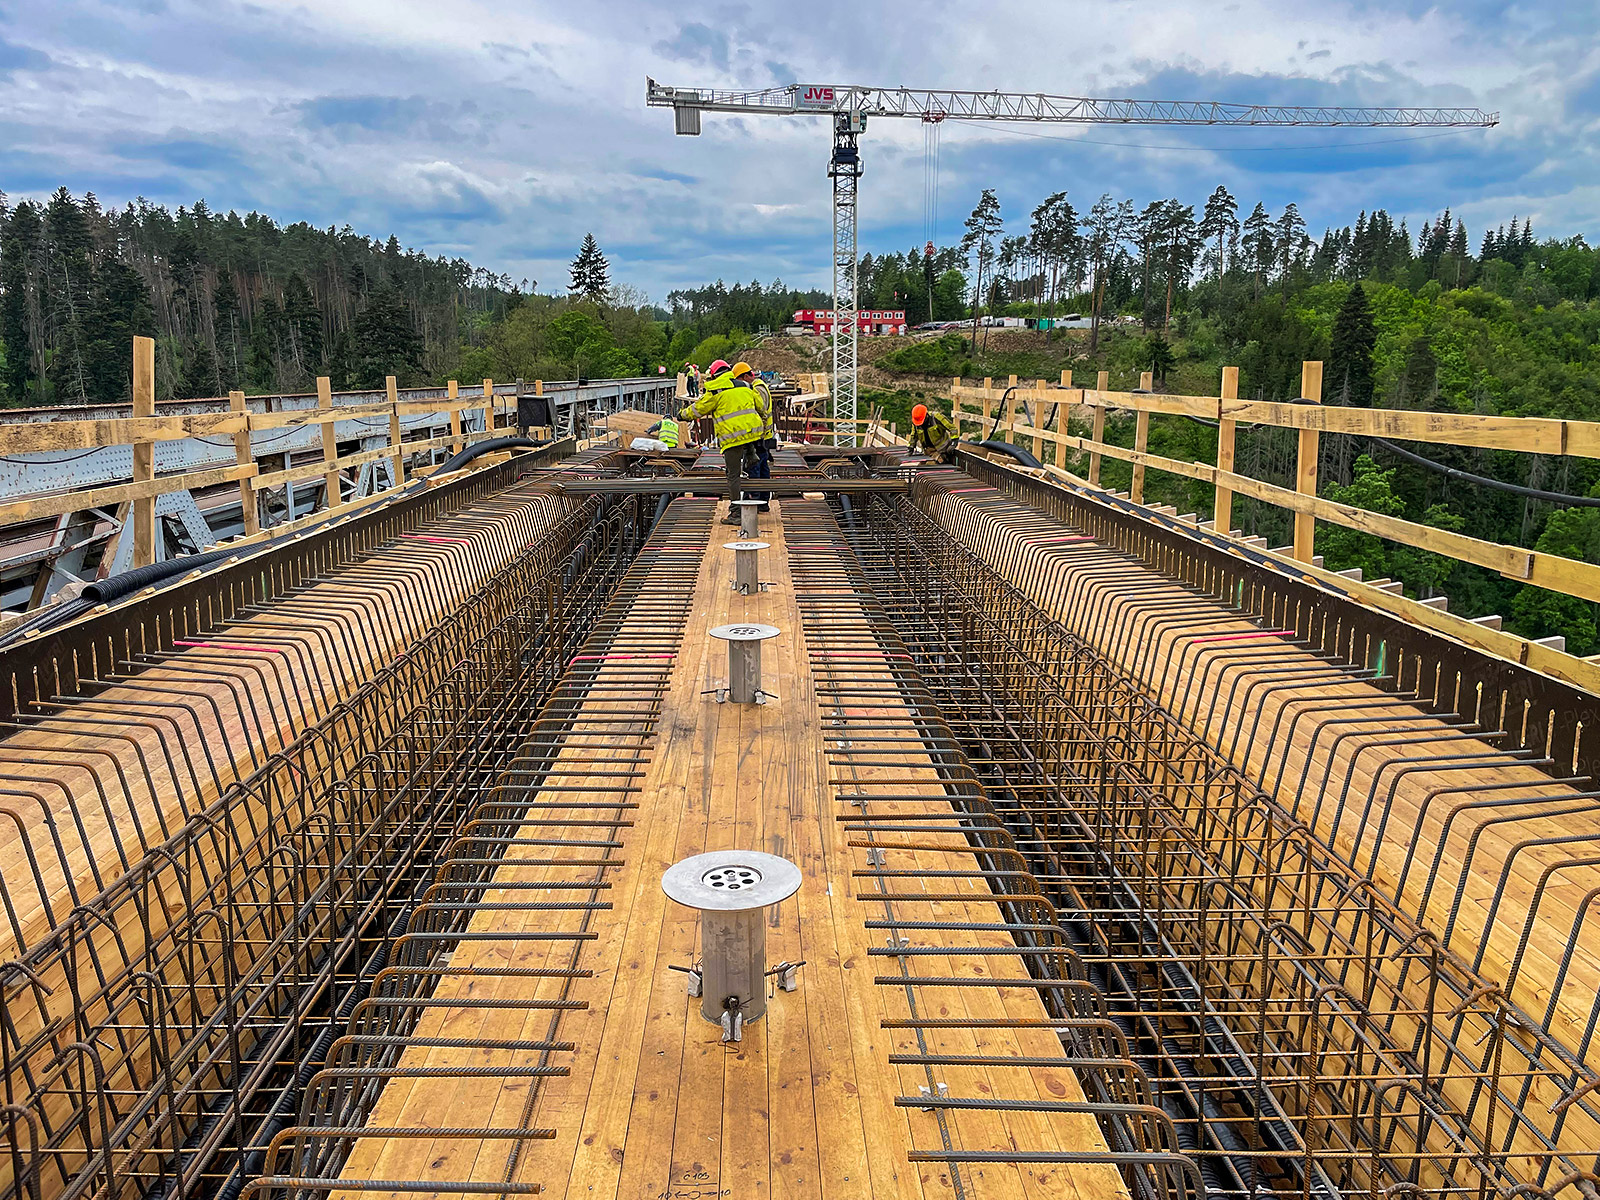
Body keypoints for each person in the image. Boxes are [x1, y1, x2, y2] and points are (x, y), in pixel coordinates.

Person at [680, 361, 764, 524]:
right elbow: (760, 405)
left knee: (733, 475)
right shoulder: (745, 386)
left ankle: (736, 513)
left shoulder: (715, 390)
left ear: (714, 375)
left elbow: (698, 410)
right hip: (752, 431)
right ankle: (750, 452)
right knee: (747, 440)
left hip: (732, 438)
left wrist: (682, 415)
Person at [735, 363, 776, 511]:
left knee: (753, 469)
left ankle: (754, 502)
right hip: (763, 437)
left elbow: (758, 413)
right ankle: (763, 503)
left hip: (758, 437)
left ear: (746, 376)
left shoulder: (757, 389)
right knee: (762, 469)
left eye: (739, 379)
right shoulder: (759, 387)